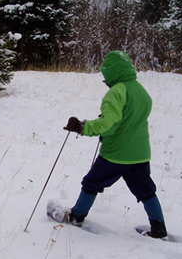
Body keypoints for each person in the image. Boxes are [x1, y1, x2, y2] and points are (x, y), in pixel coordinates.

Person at [56, 50, 167, 239]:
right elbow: (128, 118)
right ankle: (159, 228)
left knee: (92, 183)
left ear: (112, 73)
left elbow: (108, 125)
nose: (105, 81)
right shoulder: (139, 89)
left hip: (116, 154)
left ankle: (76, 216)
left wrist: (82, 127)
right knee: (146, 190)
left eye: (106, 76)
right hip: (140, 153)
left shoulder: (117, 92)